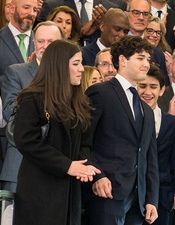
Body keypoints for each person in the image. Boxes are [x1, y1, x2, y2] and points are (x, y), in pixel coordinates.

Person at [12, 39, 100, 225]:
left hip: (70, 193)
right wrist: (67, 165)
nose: (82, 69)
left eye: (81, 63)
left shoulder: (80, 102)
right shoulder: (32, 98)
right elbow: (26, 142)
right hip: (39, 191)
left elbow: (85, 142)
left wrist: (83, 165)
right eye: (76, 63)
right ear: (59, 66)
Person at [85, 35, 159, 225]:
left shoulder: (146, 110)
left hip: (138, 200)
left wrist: (151, 199)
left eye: (148, 59)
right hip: (107, 192)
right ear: (123, 60)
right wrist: (97, 176)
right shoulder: (100, 92)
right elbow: (83, 141)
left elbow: (149, 157)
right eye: (140, 58)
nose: (146, 64)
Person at [1, 21, 64, 192]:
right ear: (33, 43)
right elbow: (12, 114)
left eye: (51, 42)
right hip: (21, 167)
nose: (45, 46)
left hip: (60, 170)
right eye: (40, 41)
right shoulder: (16, 72)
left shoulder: (72, 76)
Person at [137, 64, 175, 225]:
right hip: (132, 198)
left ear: (162, 90)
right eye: (142, 86)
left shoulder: (173, 123)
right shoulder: (127, 120)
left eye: (153, 87)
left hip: (162, 200)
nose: (147, 92)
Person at [126, 0, 169, 85]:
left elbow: (163, 87)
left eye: (145, 14)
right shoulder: (117, 45)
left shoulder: (158, 54)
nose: (141, 17)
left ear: (149, 18)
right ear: (126, 14)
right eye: (136, 12)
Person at [0, 0, 37, 79]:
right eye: (26, 7)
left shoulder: (42, 42)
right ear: (12, 9)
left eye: (35, 10)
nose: (31, 13)